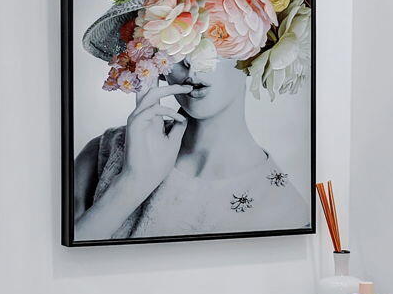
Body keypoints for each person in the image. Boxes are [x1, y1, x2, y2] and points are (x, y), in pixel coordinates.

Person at [72, 47, 304, 242]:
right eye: (175, 44)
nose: (191, 62)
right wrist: (133, 182)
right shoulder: (102, 153)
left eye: (214, 39)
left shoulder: (285, 209)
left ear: (255, 50)